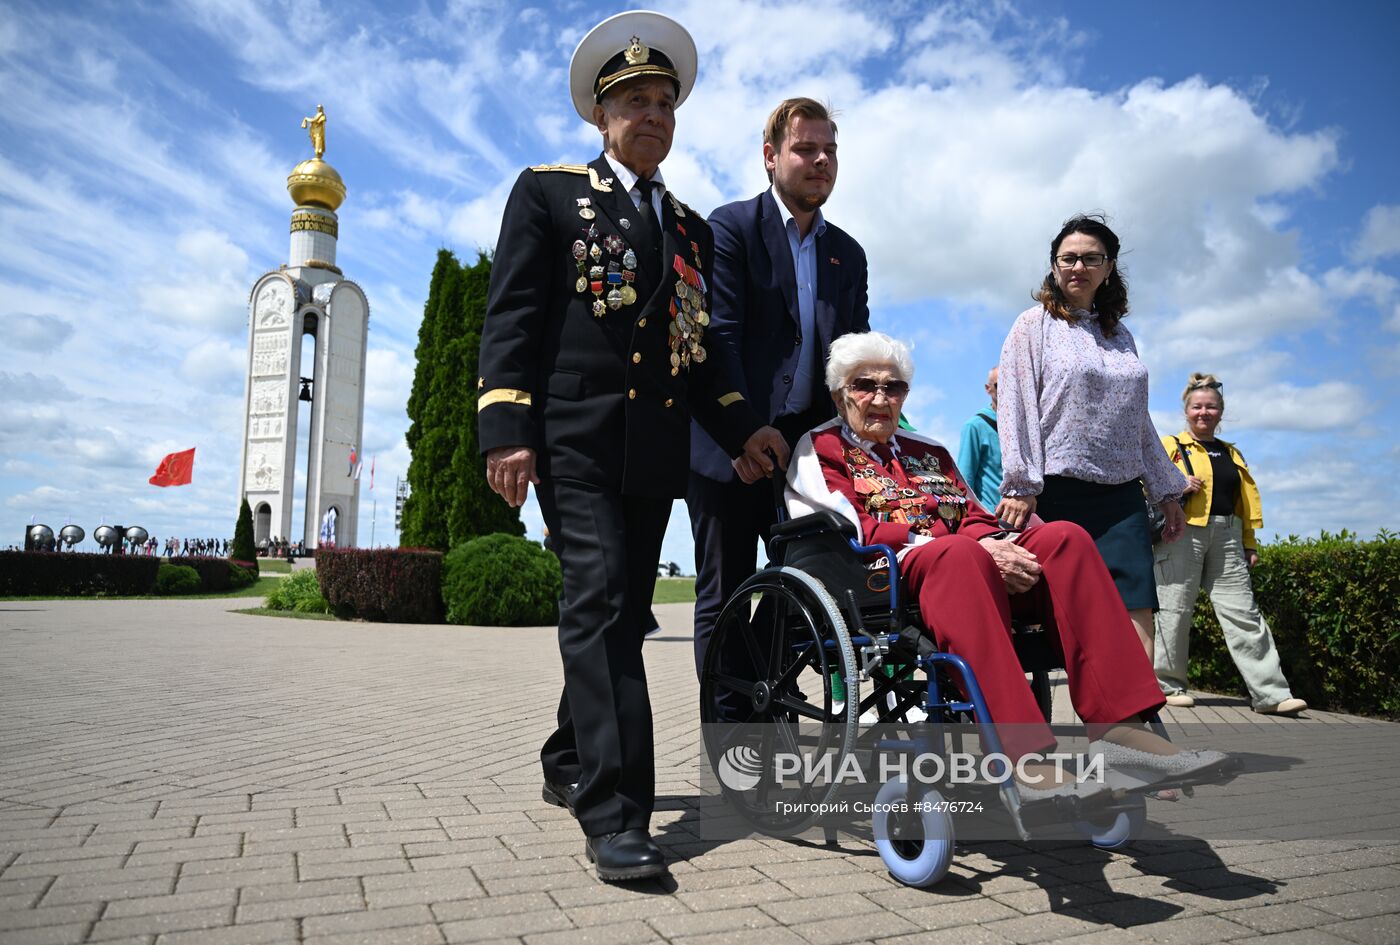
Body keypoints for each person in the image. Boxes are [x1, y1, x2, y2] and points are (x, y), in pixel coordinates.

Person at [477, 11, 787, 883]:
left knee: (620, 613)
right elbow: (512, 319)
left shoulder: (686, 228)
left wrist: (742, 427)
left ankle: (568, 752)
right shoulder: (548, 193)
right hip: (572, 440)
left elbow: (702, 349)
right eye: (633, 101)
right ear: (600, 116)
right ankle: (616, 813)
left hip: (652, 455)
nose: (651, 115)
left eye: (664, 102)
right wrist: (506, 428)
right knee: (606, 608)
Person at [787, 332, 1230, 794]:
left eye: (893, 387)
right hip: (883, 577)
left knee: (1064, 539)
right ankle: (1021, 754)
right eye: (865, 385)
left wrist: (1001, 545)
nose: (880, 397)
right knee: (957, 552)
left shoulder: (928, 450)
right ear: (840, 393)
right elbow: (852, 529)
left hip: (966, 569)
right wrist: (973, 548)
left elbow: (975, 516)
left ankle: (1122, 729)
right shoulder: (820, 448)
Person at [688, 97, 870, 678]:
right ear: (771, 157)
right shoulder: (731, 228)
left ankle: (766, 714)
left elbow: (850, 356)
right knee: (726, 598)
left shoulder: (849, 253)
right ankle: (732, 753)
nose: (821, 161)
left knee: (817, 589)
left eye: (830, 151)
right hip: (730, 441)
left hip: (804, 450)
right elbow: (721, 335)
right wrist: (742, 433)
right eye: (805, 148)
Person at [996, 214, 1186, 659]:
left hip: (1121, 497)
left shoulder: (1121, 336)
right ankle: (1100, 704)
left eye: (1090, 258)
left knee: (1137, 603)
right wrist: (1022, 484)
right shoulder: (1032, 325)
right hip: (1056, 492)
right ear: (1054, 265)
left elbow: (1137, 420)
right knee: (1073, 611)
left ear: (1109, 267)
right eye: (1068, 259)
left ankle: (1137, 718)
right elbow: (1016, 404)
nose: (1078, 267)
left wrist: (1165, 491)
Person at [1153, 374, 1307, 714]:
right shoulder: (1168, 446)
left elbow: (1245, 504)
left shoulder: (1231, 453)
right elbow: (1144, 485)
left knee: (1244, 613)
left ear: (1221, 412)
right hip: (1181, 533)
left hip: (1228, 535)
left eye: (1211, 407)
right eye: (1197, 407)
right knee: (1173, 610)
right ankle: (1167, 686)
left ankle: (1272, 695)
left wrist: (1249, 544)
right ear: (1186, 411)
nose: (1203, 412)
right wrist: (1175, 485)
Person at [957, 367, 1002, 510]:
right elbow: (964, 481)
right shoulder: (975, 426)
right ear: (988, 389)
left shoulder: (1025, 426)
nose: (1008, 388)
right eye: (1000, 384)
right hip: (992, 520)